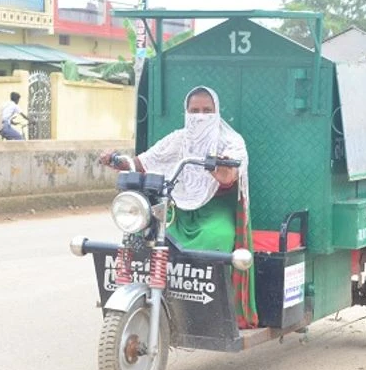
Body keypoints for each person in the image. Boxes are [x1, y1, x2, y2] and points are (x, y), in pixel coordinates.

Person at [100, 85, 258, 328]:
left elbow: (229, 176)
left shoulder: (231, 141)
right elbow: (142, 162)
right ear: (186, 113)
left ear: (217, 112)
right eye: (194, 110)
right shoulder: (178, 139)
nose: (200, 116)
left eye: (207, 110)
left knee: (217, 237)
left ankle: (213, 308)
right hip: (178, 208)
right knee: (147, 235)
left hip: (215, 210)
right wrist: (115, 160)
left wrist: (220, 166)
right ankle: (153, 295)